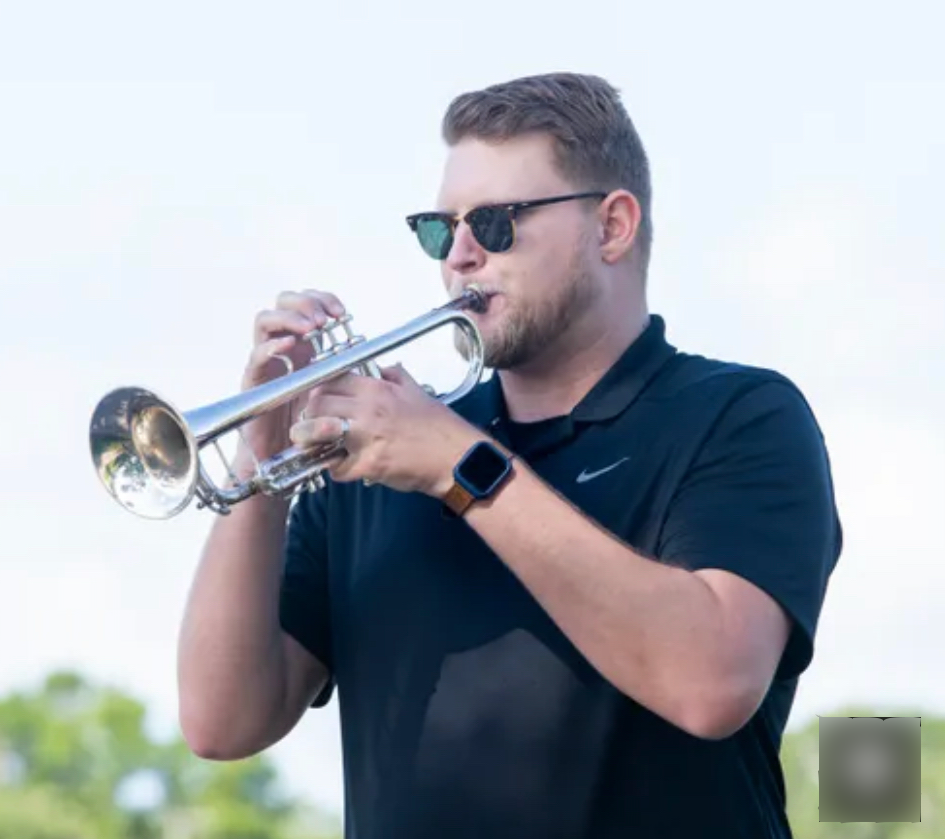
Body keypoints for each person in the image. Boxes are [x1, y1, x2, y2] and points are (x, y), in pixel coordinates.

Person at [176, 72, 843, 838]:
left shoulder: (739, 415)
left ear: (612, 226)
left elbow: (712, 682)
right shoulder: (385, 453)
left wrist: (460, 470)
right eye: (439, 229)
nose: (458, 256)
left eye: (494, 223)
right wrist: (260, 452)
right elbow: (221, 721)